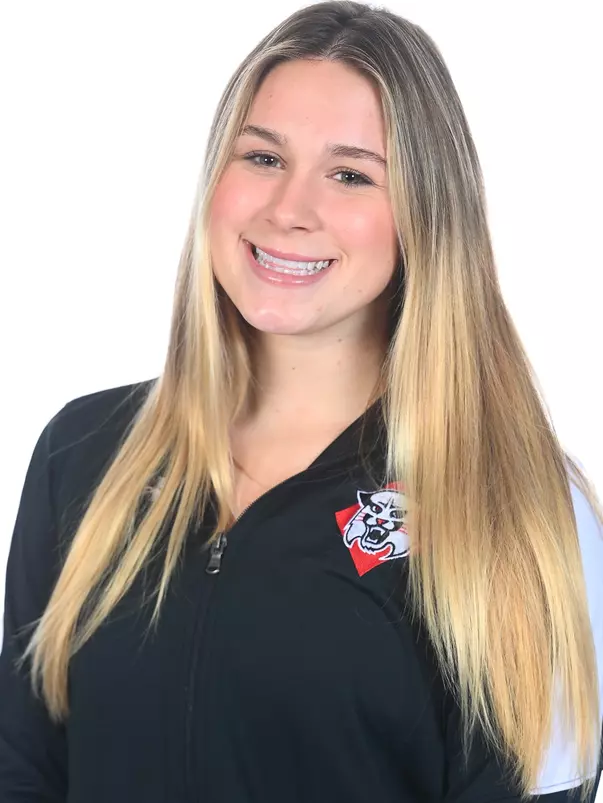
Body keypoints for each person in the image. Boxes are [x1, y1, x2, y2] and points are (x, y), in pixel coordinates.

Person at [1, 2, 602, 801]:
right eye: (261, 157)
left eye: (350, 173)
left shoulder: (521, 505)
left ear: (425, 214)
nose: (289, 208)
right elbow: (24, 768)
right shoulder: (85, 453)